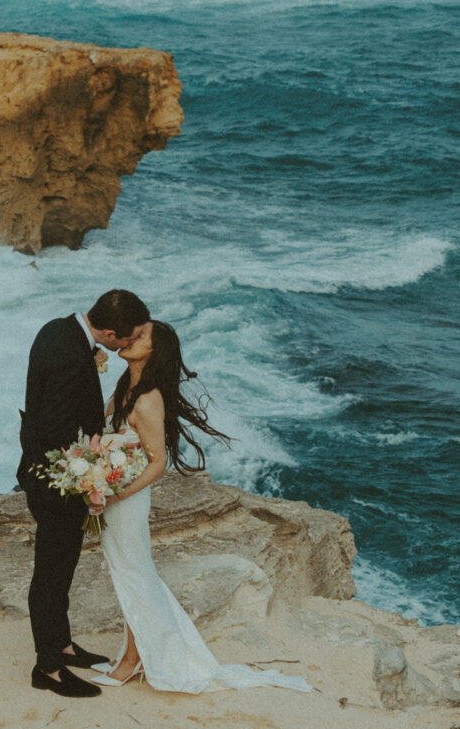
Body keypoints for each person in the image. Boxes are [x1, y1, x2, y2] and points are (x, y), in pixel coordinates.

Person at [86, 321, 311, 695]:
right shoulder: (126, 385)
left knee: (135, 573)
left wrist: (114, 495)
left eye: (140, 336)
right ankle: (132, 650)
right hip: (112, 494)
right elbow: (106, 431)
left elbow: (157, 464)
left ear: (154, 352)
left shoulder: (147, 399)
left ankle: (134, 659)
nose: (128, 338)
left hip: (126, 500)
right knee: (127, 572)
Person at [18, 288, 148, 697]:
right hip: (55, 480)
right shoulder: (71, 356)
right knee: (51, 574)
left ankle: (62, 643)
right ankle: (49, 669)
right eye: (127, 338)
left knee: (64, 564)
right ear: (109, 334)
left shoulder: (57, 329)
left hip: (50, 472)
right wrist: (87, 471)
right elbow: (57, 429)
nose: (127, 345)